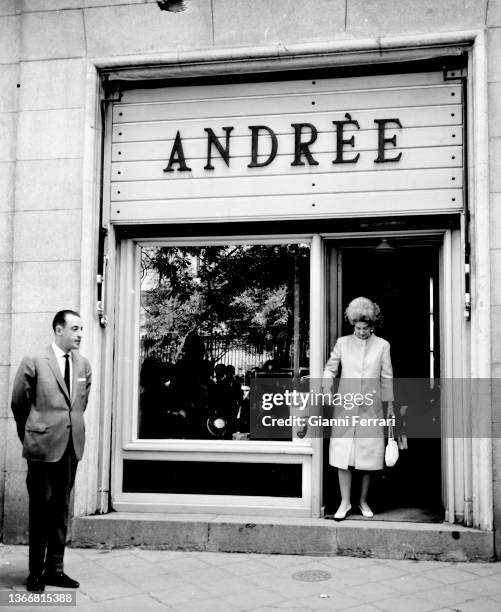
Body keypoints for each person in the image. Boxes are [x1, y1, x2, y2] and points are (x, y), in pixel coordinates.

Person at [11, 310, 92, 592]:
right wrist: (33, 434)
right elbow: (19, 404)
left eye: (81, 328)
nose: (80, 333)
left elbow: (79, 405)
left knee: (61, 510)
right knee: (41, 510)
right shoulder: (34, 361)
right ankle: (35, 573)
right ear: (59, 330)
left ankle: (55, 570)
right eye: (75, 328)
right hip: (43, 449)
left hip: (71, 448)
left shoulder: (84, 366)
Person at [323, 297, 394, 520]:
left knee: (367, 457)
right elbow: (329, 369)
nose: (361, 332)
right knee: (343, 456)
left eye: (365, 328)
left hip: (371, 409)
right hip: (345, 407)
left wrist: (390, 406)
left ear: (372, 326)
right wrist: (327, 391)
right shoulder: (343, 343)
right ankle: (344, 503)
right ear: (353, 324)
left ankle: (363, 502)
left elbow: (387, 379)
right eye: (357, 328)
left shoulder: (382, 345)